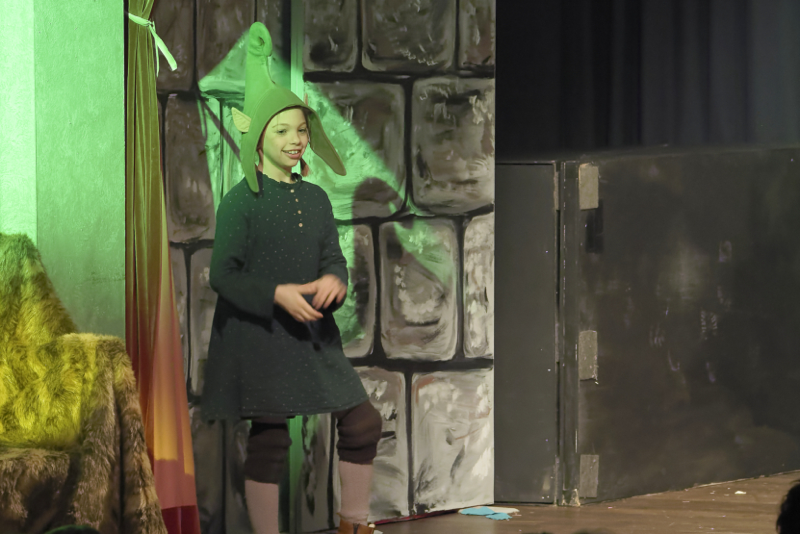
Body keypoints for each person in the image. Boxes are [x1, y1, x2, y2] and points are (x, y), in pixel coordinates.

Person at [201, 22, 382, 534]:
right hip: (262, 336)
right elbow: (223, 275)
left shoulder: (316, 199)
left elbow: (332, 259)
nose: (296, 140)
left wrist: (335, 280)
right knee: (271, 438)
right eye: (282, 131)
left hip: (310, 334)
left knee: (362, 422)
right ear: (258, 135)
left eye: (301, 130)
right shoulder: (241, 202)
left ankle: (354, 524)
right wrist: (276, 293)